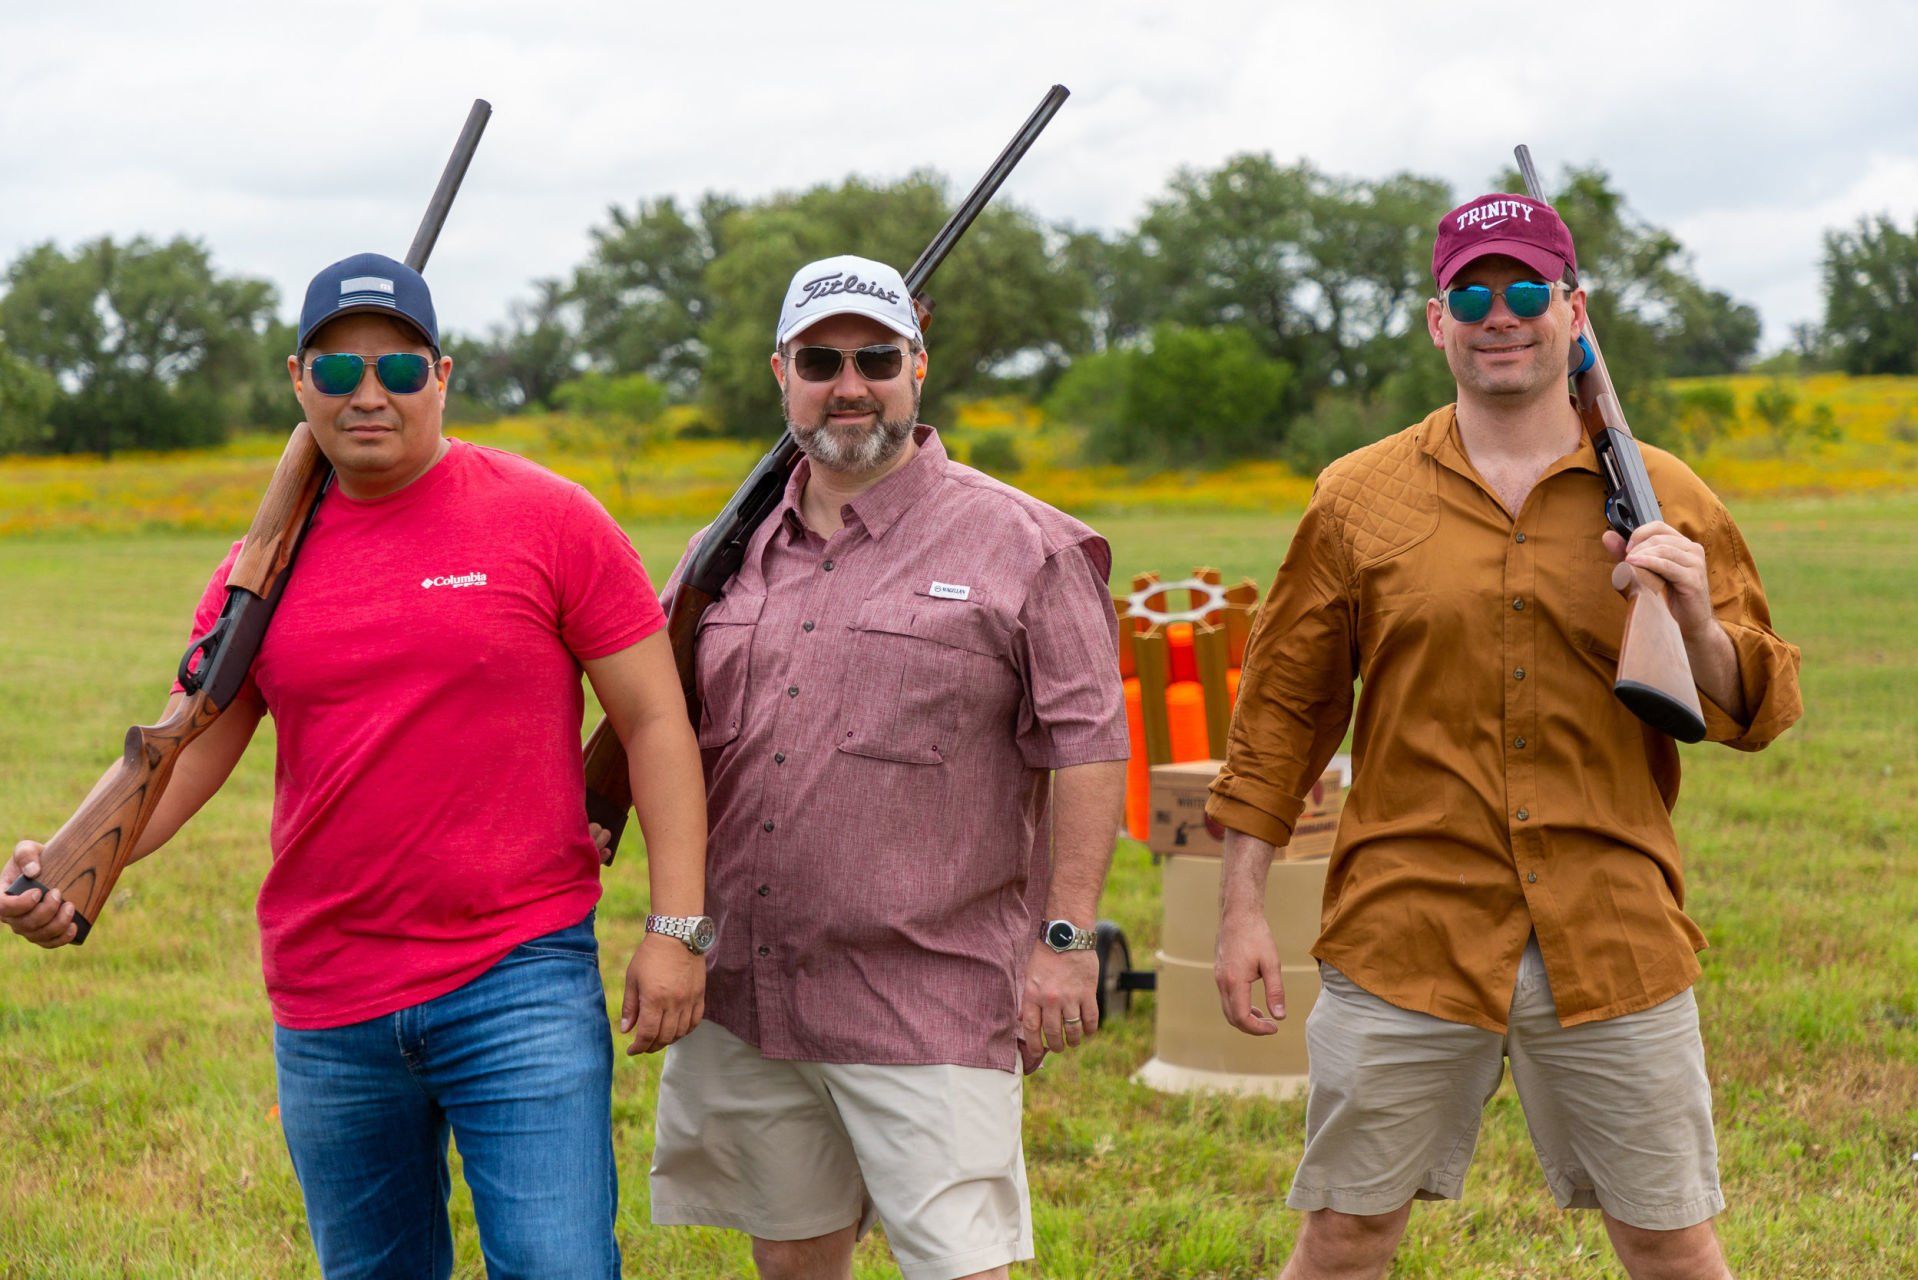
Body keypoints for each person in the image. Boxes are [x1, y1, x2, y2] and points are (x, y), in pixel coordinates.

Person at [3, 252, 712, 1279]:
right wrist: (66, 870)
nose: (368, 393)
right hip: (327, 995)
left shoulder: (551, 517)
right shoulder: (258, 568)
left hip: (519, 977)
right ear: (299, 382)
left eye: (400, 368)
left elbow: (654, 721)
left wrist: (676, 929)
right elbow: (187, 747)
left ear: (443, 377)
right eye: (337, 371)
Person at [1210, 196, 1801, 1280]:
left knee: (1670, 1241)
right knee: (1343, 1236)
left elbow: (1756, 706)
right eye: (1472, 294)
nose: (1502, 315)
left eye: (1528, 290)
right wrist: (1242, 905)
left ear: (1575, 312)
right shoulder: (1356, 497)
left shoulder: (1665, 493)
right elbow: (1284, 714)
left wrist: (1696, 622)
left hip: (1611, 925)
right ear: (1436, 320)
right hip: (1406, 925)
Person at [647, 254, 1129, 1280]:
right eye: (820, 361)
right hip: (750, 988)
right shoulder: (719, 556)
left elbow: (1089, 748)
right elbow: (656, 735)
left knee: (964, 1268)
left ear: (919, 367)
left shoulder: (1027, 545)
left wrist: (1067, 940)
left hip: (929, 991)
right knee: (792, 1260)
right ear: (781, 374)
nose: (849, 384)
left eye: (876, 358)